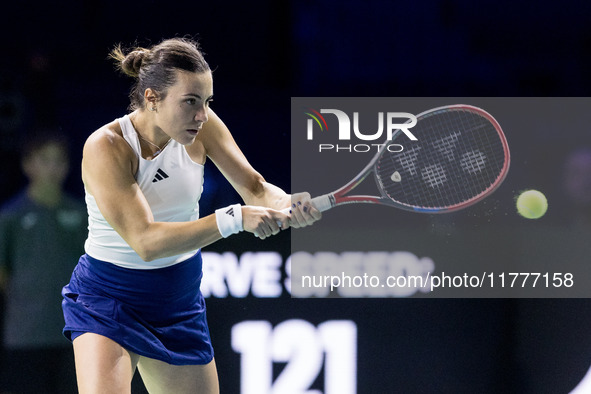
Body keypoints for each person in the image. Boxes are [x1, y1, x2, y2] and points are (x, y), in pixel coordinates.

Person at [61, 37, 321, 393]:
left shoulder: (203, 126)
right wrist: (234, 218)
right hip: (108, 299)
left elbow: (257, 189)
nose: (201, 114)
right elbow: (146, 242)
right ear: (152, 98)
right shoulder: (107, 146)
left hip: (177, 300)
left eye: (207, 102)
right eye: (190, 102)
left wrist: (288, 202)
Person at [0, 130, 85, 393]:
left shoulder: (81, 213)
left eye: (59, 160)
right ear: (28, 164)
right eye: (44, 159)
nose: (52, 167)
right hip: (26, 336)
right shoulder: (10, 216)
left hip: (76, 334)